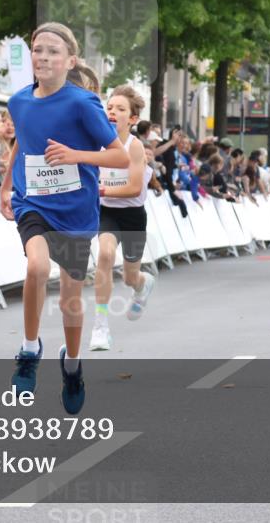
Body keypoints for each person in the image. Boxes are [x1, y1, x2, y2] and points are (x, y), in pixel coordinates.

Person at [0, 22, 128, 415]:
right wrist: (6, 186)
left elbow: (118, 156)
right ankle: (28, 349)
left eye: (53, 51)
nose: (42, 57)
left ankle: (72, 366)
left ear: (70, 61)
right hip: (32, 201)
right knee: (36, 266)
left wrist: (76, 155)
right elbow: (22, 138)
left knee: (72, 297)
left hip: (74, 209)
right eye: (37, 49)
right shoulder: (19, 101)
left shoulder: (82, 103)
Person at [90, 86, 156, 352]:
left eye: (120, 109)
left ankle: (142, 284)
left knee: (130, 277)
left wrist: (100, 189)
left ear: (131, 118)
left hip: (132, 216)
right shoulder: (95, 142)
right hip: (106, 211)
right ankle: (100, 327)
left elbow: (133, 188)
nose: (113, 112)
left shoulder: (135, 147)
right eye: (110, 107)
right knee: (105, 256)